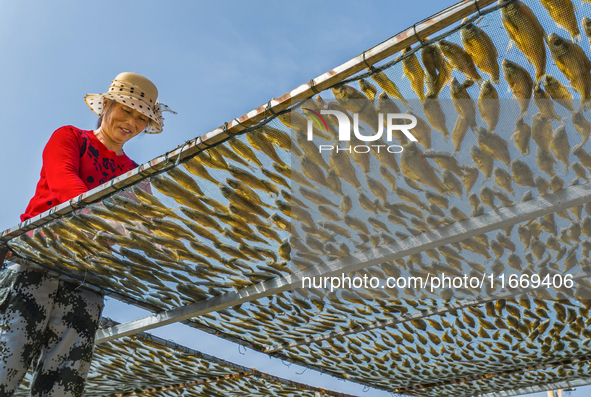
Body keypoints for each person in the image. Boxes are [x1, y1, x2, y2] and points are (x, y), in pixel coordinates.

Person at [0, 72, 175, 397]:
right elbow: (64, 180)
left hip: (87, 279)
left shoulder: (135, 176)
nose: (132, 122)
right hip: (37, 261)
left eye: (140, 117)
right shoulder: (70, 138)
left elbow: (150, 227)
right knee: (8, 359)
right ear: (105, 104)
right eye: (126, 110)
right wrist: (110, 220)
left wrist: (167, 245)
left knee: (65, 379)